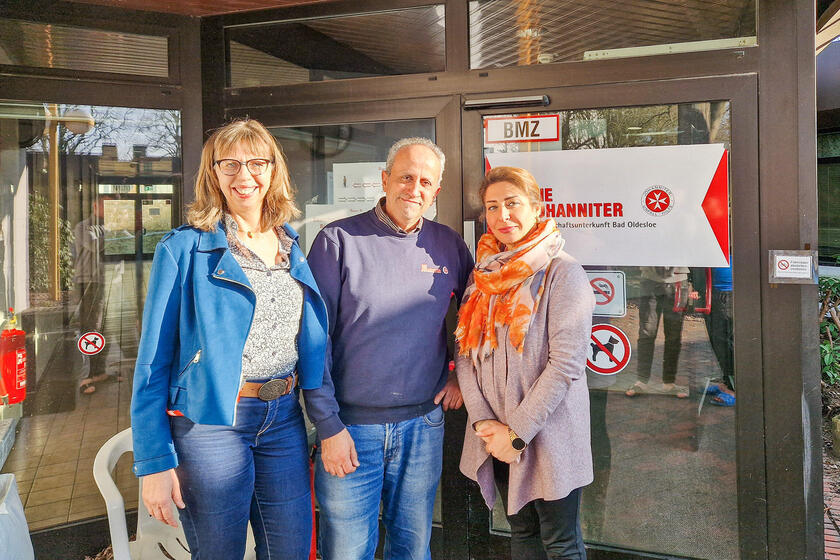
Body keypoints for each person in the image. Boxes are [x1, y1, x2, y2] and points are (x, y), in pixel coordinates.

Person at [130, 119, 328, 560]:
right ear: (213, 173)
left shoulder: (289, 243)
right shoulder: (183, 248)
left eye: (257, 163)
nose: (245, 175)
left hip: (283, 417)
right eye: (230, 164)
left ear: (273, 170)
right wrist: (154, 462)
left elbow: (309, 338)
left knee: (291, 550)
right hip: (210, 425)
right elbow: (152, 364)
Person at [304, 137, 474, 560]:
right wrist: (327, 425)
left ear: (437, 190)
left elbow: (476, 315)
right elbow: (313, 338)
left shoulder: (448, 244)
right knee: (347, 551)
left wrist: (460, 373)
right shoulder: (338, 240)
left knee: (412, 549)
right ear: (385, 179)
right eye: (405, 177)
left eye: (425, 182)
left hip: (423, 425)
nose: (414, 189)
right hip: (350, 428)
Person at [456, 166, 595, 560]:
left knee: (560, 543)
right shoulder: (482, 277)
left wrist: (515, 433)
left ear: (536, 207)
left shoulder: (563, 273)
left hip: (548, 435)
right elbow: (464, 353)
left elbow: (566, 365)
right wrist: (484, 423)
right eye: (492, 207)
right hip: (495, 435)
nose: (502, 216)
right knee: (522, 534)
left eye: (512, 203)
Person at [625, 267, 690, 398]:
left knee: (673, 335)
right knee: (647, 332)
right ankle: (642, 381)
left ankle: (668, 382)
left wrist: (696, 285)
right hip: (650, 279)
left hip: (678, 280)